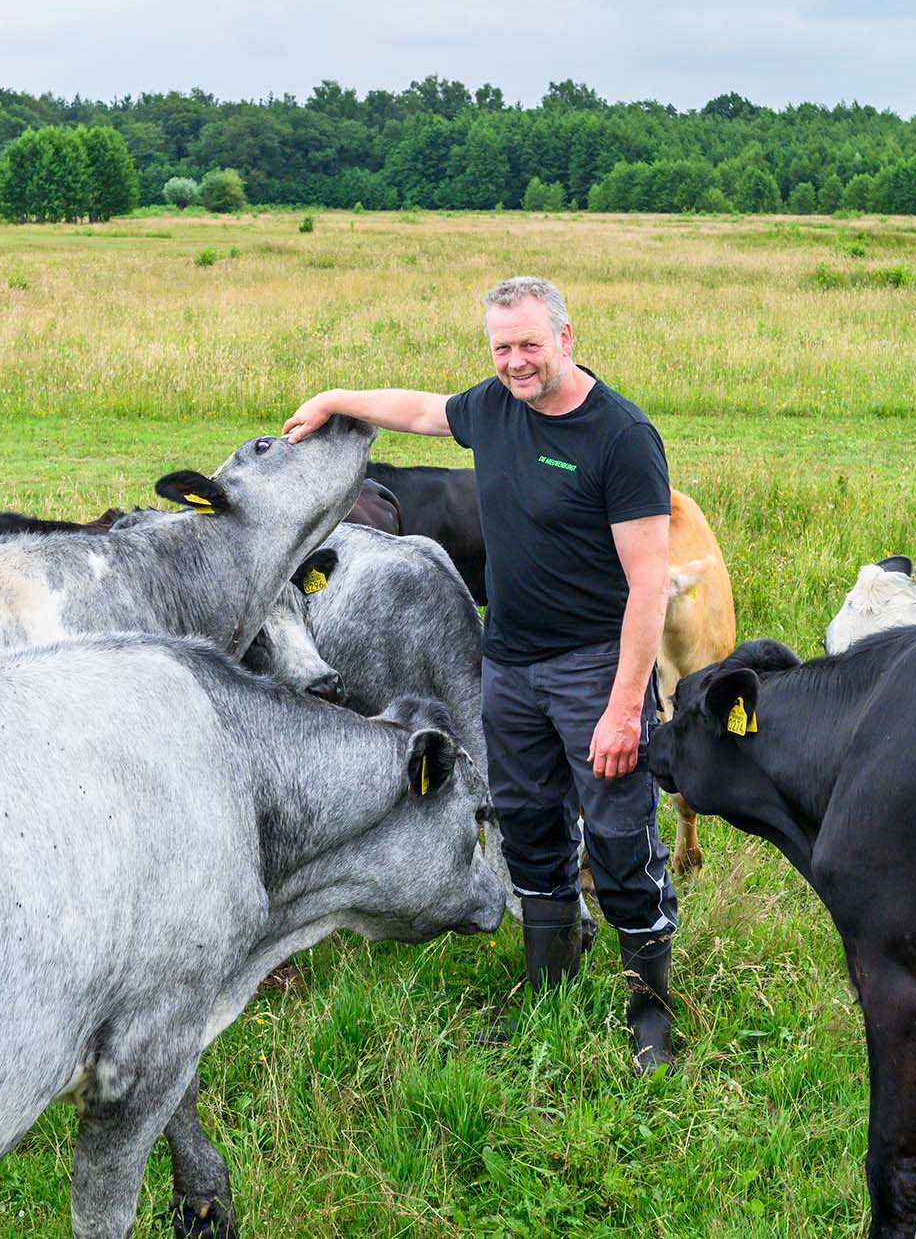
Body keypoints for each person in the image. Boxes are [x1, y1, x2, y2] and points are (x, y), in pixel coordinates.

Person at [283, 276, 678, 1072]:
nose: (516, 362)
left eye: (530, 344)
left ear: (567, 336)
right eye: (502, 347)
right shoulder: (495, 409)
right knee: (527, 824)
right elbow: (425, 410)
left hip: (596, 669)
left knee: (616, 830)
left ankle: (651, 1009)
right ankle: (549, 991)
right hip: (511, 663)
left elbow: (649, 585)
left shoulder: (622, 436)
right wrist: (334, 399)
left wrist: (623, 704)